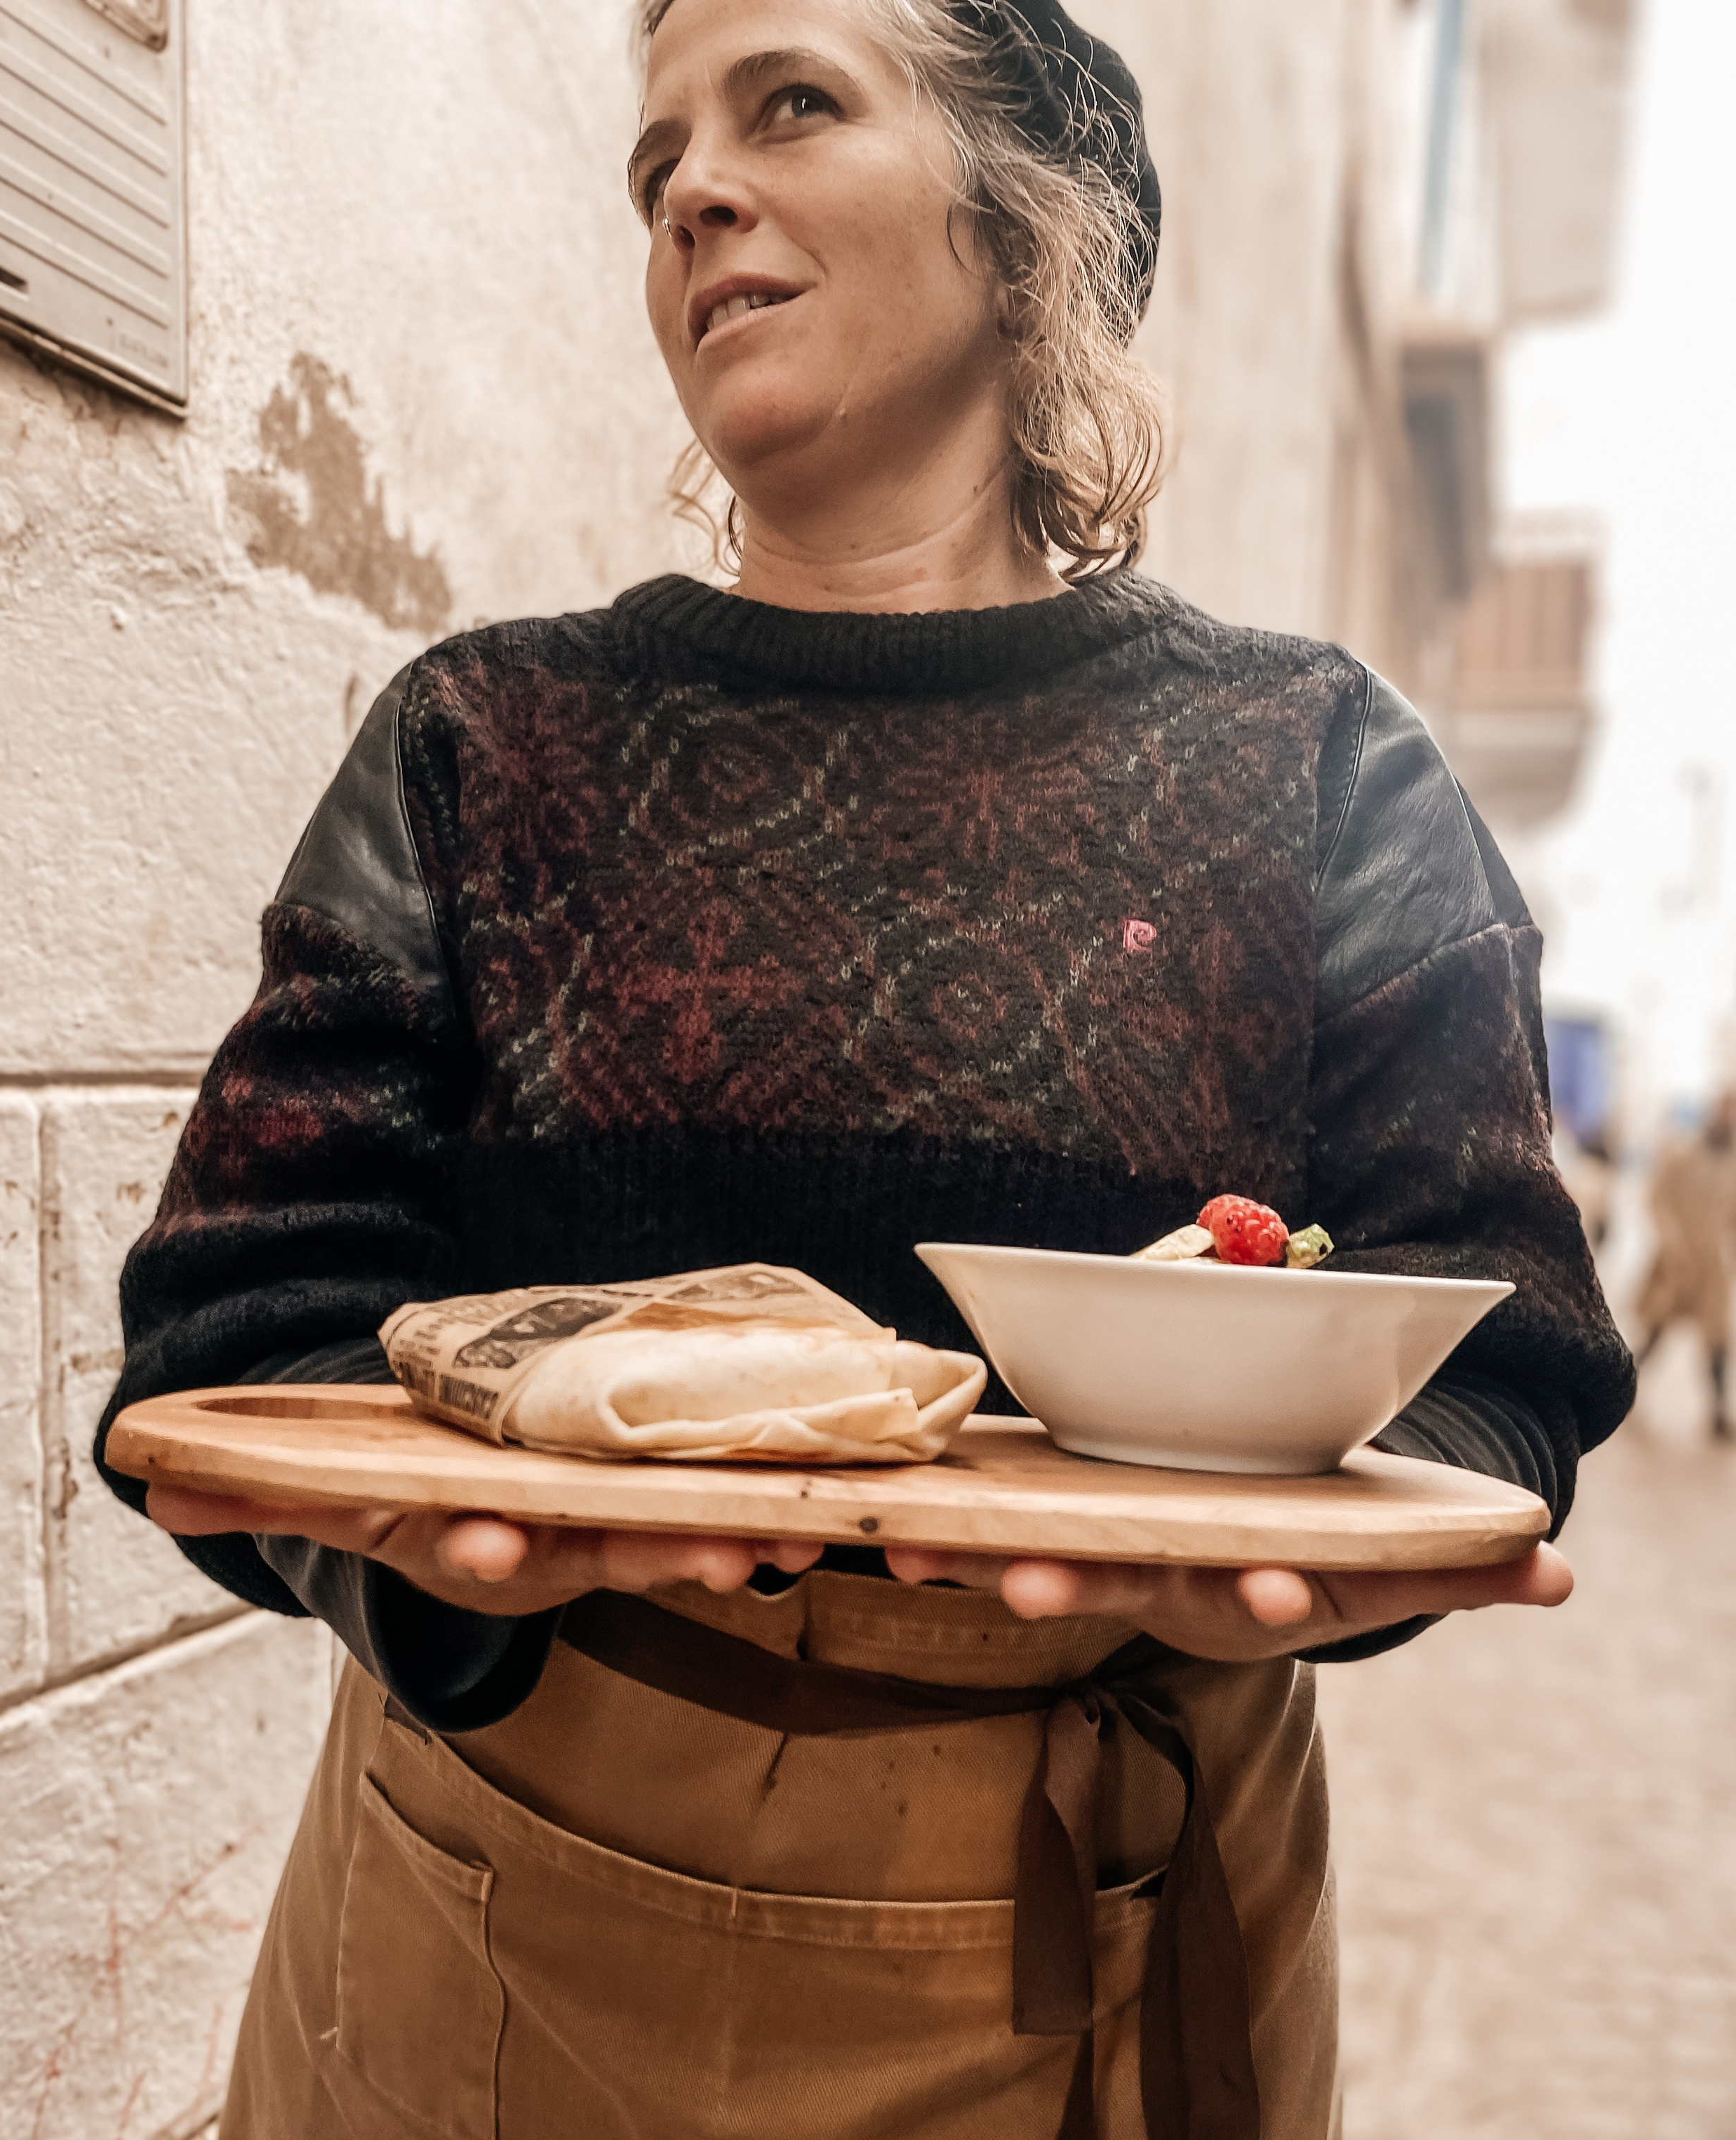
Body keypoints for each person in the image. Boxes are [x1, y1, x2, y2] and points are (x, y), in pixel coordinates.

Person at [93, 2, 1634, 2134]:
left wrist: (1343, 1545)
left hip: (1120, 1878)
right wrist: (425, 1572)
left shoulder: (1313, 767)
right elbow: (233, 1314)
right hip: (502, 1879)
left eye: (790, 104)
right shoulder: (482, 747)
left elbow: (1506, 1322)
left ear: (1024, 225)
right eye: (658, 167)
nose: (693, 191)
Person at [1633, 1092, 1736, 1442]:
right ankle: (1621, 1389)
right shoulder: (1681, 1155)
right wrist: (1671, 1240)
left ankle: (1719, 1411)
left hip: (1711, 1269)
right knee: (1656, 1331)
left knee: (1718, 1338)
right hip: (1677, 1265)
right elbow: (1657, 1199)